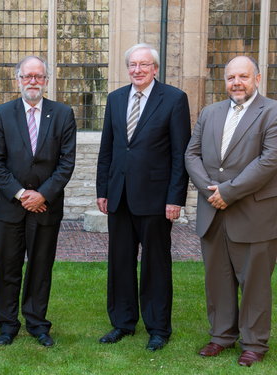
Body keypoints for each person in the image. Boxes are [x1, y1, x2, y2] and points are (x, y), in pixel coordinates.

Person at [96, 43, 191, 351]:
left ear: (155, 68)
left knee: (156, 265)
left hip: (156, 199)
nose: (137, 70)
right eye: (133, 65)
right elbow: (108, 149)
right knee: (120, 263)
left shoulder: (175, 100)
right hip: (119, 197)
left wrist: (175, 198)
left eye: (144, 65)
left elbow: (180, 154)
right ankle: (122, 322)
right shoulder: (115, 98)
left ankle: (158, 328)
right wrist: (102, 190)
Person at [185, 55, 277, 367]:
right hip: (213, 211)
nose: (236, 83)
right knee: (218, 278)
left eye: (243, 77)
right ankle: (221, 335)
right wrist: (210, 190)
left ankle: (254, 342)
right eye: (231, 78)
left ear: (257, 79)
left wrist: (229, 191)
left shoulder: (272, 112)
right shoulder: (210, 112)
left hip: (253, 213)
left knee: (254, 282)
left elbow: (269, 161)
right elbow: (191, 154)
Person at [0, 56, 76, 347]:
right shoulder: (2, 113)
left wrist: (43, 194)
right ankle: (7, 324)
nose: (33, 81)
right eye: (27, 76)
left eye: (38, 76)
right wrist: (21, 194)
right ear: (18, 80)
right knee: (7, 267)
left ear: (46, 80)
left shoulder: (63, 114)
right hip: (12, 206)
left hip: (46, 207)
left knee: (40, 267)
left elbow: (66, 162)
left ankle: (37, 323)